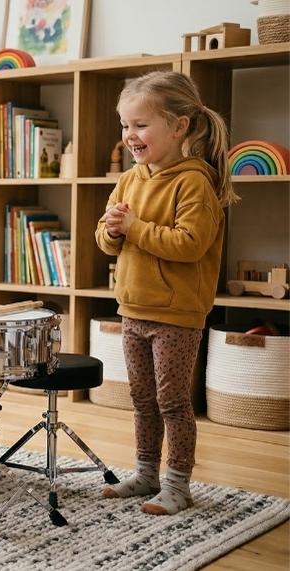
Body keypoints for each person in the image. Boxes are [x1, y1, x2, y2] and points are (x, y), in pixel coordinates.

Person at [94, 71, 237, 515]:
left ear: (179, 126)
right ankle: (146, 473)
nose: (130, 136)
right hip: (133, 307)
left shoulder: (194, 181)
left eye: (140, 125)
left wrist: (136, 228)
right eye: (124, 125)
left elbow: (189, 245)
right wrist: (114, 231)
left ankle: (178, 484)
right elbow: (105, 238)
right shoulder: (131, 179)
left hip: (177, 314)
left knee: (172, 400)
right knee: (141, 399)